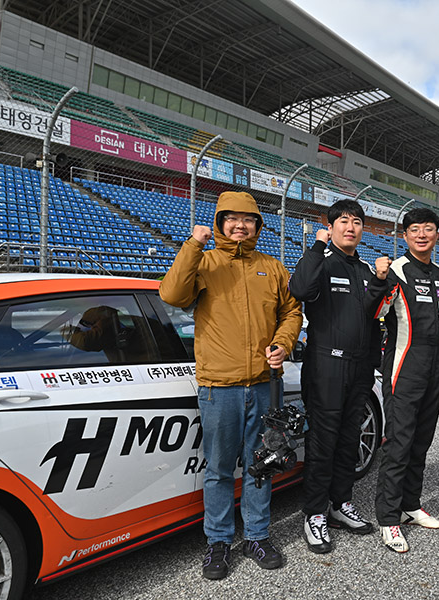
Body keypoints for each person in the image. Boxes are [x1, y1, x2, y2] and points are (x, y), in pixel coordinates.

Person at [160, 191, 302, 578]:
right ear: (221, 222)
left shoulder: (272, 267)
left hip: (261, 385)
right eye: (232, 218)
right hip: (218, 387)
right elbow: (171, 295)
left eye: (248, 219)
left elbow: (292, 311)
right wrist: (193, 245)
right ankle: (218, 542)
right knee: (220, 470)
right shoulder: (204, 262)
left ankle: (257, 535)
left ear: (258, 225)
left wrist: (283, 344)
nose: (240, 225)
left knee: (261, 464)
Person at [289, 200, 383, 553]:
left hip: (359, 368)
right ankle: (314, 512)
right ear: (331, 227)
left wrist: (372, 362)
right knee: (323, 443)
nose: (351, 226)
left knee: (349, 439)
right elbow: (298, 290)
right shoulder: (322, 263)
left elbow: (374, 320)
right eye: (343, 221)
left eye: (357, 221)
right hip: (327, 365)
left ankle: (341, 503)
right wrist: (317, 245)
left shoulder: (365, 271)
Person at [370, 207, 439, 553]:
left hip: (435, 368)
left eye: (428, 229)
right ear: (404, 236)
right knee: (399, 443)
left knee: (421, 442)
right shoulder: (396, 270)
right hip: (404, 367)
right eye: (415, 230)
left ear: (437, 236)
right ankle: (388, 519)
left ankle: (410, 505)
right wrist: (380, 278)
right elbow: (377, 312)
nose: (421, 235)